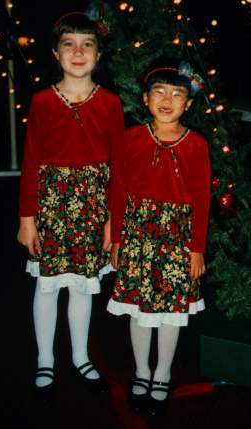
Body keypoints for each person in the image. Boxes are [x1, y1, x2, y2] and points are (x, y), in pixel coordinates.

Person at [17, 11, 125, 397]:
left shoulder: (110, 103)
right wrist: (27, 218)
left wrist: (114, 220)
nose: (78, 52)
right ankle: (45, 357)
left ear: (98, 54)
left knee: (82, 286)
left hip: (93, 206)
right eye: (69, 44)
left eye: (87, 45)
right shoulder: (43, 101)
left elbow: (118, 167)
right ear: (56, 52)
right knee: (46, 286)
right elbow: (30, 163)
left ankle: (80, 355)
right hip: (51, 205)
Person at [107, 57, 211, 416]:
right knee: (139, 310)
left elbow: (201, 200)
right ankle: (141, 371)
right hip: (138, 233)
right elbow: (118, 189)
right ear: (146, 99)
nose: (167, 100)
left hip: (178, 238)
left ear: (189, 103)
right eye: (159, 92)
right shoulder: (132, 138)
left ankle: (162, 374)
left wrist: (197, 249)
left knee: (170, 313)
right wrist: (117, 239)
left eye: (177, 94)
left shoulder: (197, 145)